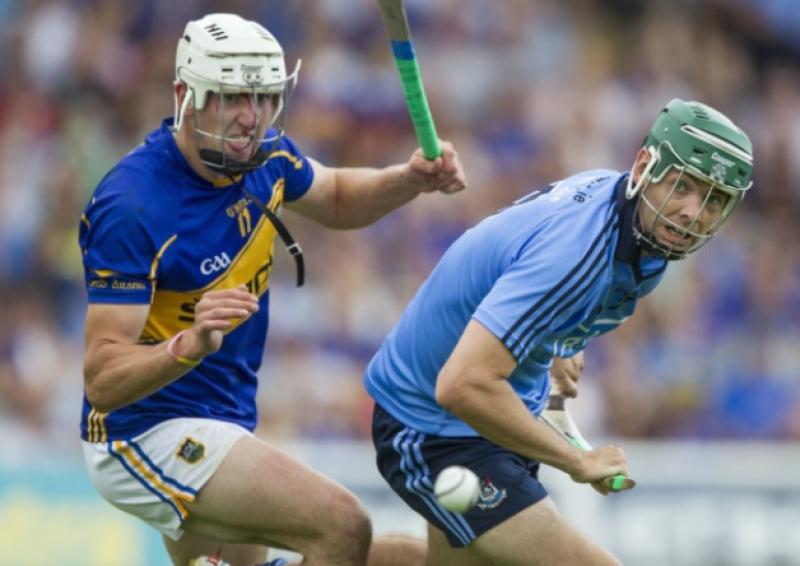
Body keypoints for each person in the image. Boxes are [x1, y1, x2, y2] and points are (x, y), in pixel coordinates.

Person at [78, 12, 465, 566]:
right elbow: (103, 380)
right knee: (341, 524)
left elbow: (332, 196)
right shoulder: (132, 205)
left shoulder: (266, 158)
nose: (250, 118)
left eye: (263, 97)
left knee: (403, 561)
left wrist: (407, 180)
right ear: (187, 94)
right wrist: (186, 345)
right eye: (233, 97)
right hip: (141, 432)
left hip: (224, 419)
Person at [364, 98, 753, 565]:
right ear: (644, 166)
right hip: (430, 425)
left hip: (488, 422)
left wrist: (561, 339)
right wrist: (577, 462)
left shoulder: (637, 233)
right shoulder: (577, 252)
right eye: (682, 186)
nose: (693, 212)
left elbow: (533, 282)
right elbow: (461, 384)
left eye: (714, 200)